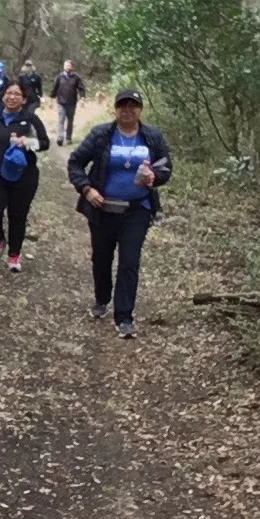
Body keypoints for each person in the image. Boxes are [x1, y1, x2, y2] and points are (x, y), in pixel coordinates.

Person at [67, 89, 172, 338]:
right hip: (103, 208)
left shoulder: (152, 137)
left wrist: (154, 177)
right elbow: (75, 162)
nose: (128, 110)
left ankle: (124, 317)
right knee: (101, 258)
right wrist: (87, 189)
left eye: (133, 105)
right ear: (115, 109)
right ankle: (102, 298)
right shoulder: (101, 134)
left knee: (129, 261)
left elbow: (167, 167)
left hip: (137, 210)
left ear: (140, 109)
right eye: (122, 105)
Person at [0, 82, 51, 272]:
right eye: (9, 93)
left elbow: (44, 143)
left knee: (18, 216)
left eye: (17, 94)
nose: (12, 97)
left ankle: (14, 256)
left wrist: (27, 142)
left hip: (24, 176)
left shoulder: (31, 119)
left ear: (24, 99)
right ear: (3, 97)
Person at [49, 59, 86, 146]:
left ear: (72, 67)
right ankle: (60, 138)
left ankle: (68, 138)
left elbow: (81, 88)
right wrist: (51, 99)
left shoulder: (76, 77)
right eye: (65, 65)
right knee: (61, 120)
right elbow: (54, 88)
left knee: (70, 121)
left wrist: (83, 98)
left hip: (72, 102)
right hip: (61, 102)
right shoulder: (59, 77)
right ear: (63, 67)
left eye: (69, 65)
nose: (67, 67)